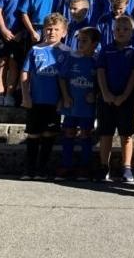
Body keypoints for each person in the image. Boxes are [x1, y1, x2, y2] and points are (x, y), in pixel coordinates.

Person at [20, 13, 69, 179]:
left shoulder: (67, 52)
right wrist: (26, 96)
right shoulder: (35, 50)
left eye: (56, 29)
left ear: (64, 32)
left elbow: (67, 79)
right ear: (43, 30)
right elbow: (25, 73)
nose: (52, 32)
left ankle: (42, 169)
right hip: (35, 100)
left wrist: (63, 99)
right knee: (33, 133)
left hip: (54, 102)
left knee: (49, 134)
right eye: (48, 29)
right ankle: (29, 170)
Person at [96, 15, 134, 183]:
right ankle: (103, 166)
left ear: (132, 32)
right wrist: (106, 93)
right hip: (106, 98)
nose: (121, 32)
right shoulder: (106, 50)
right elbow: (101, 71)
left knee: (126, 135)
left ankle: (126, 167)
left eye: (126, 29)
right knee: (105, 133)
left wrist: (124, 96)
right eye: (118, 29)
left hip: (126, 99)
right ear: (113, 31)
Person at [57, 26, 100, 181]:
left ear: (94, 44)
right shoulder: (72, 58)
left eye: (85, 41)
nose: (80, 44)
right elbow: (62, 78)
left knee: (86, 134)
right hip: (71, 104)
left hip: (87, 107)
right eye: (79, 40)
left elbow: (101, 80)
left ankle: (84, 167)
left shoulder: (97, 60)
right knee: (68, 132)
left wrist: (95, 94)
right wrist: (65, 96)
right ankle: (66, 165)